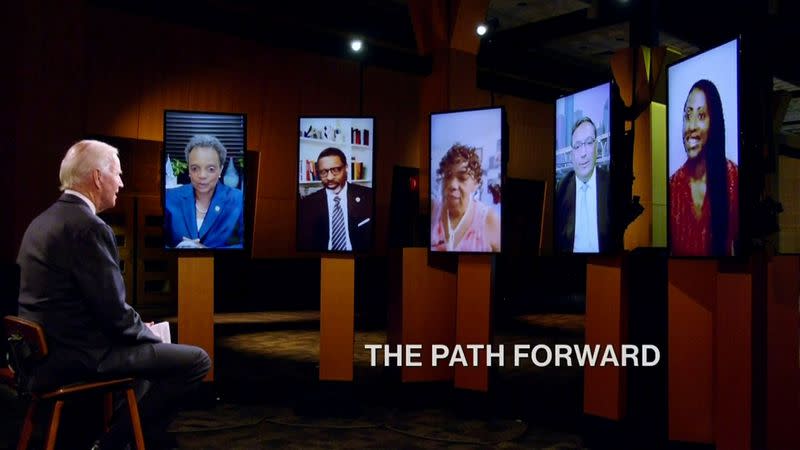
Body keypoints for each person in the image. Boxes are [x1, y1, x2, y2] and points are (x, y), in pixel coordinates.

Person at [16, 140, 211, 449]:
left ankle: (129, 434)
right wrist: (148, 335)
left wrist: (136, 331)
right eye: (118, 175)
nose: (121, 183)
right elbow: (114, 314)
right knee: (197, 360)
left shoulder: (43, 221)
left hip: (47, 354)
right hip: (80, 356)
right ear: (97, 177)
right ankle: (111, 443)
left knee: (148, 362)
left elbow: (92, 305)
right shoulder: (88, 227)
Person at [670, 79, 739, 256]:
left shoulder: (733, 178)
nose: (691, 126)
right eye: (687, 116)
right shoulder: (673, 187)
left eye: (701, 116)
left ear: (713, 122)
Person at [164, 134, 245, 249]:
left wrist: (204, 251)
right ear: (189, 169)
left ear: (220, 169)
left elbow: (245, 246)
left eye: (211, 169)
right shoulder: (169, 198)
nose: (202, 176)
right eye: (195, 168)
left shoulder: (238, 199)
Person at [297, 147, 373, 251]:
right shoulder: (307, 204)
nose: (329, 177)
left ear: (346, 168)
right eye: (323, 172)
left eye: (335, 170)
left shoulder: (368, 196)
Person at [430, 143, 501, 252]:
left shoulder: (490, 220)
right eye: (448, 176)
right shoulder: (433, 209)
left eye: (462, 178)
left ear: (476, 183)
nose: (452, 185)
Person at [554, 117, 610, 253]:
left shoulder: (610, 184)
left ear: (596, 147)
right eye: (577, 146)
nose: (583, 153)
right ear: (572, 154)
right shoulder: (561, 188)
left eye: (589, 143)